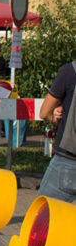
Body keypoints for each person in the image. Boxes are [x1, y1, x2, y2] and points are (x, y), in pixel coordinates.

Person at [38, 60, 76, 203]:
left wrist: (57, 118)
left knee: (46, 213)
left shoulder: (70, 71)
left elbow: (44, 113)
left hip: (68, 158)